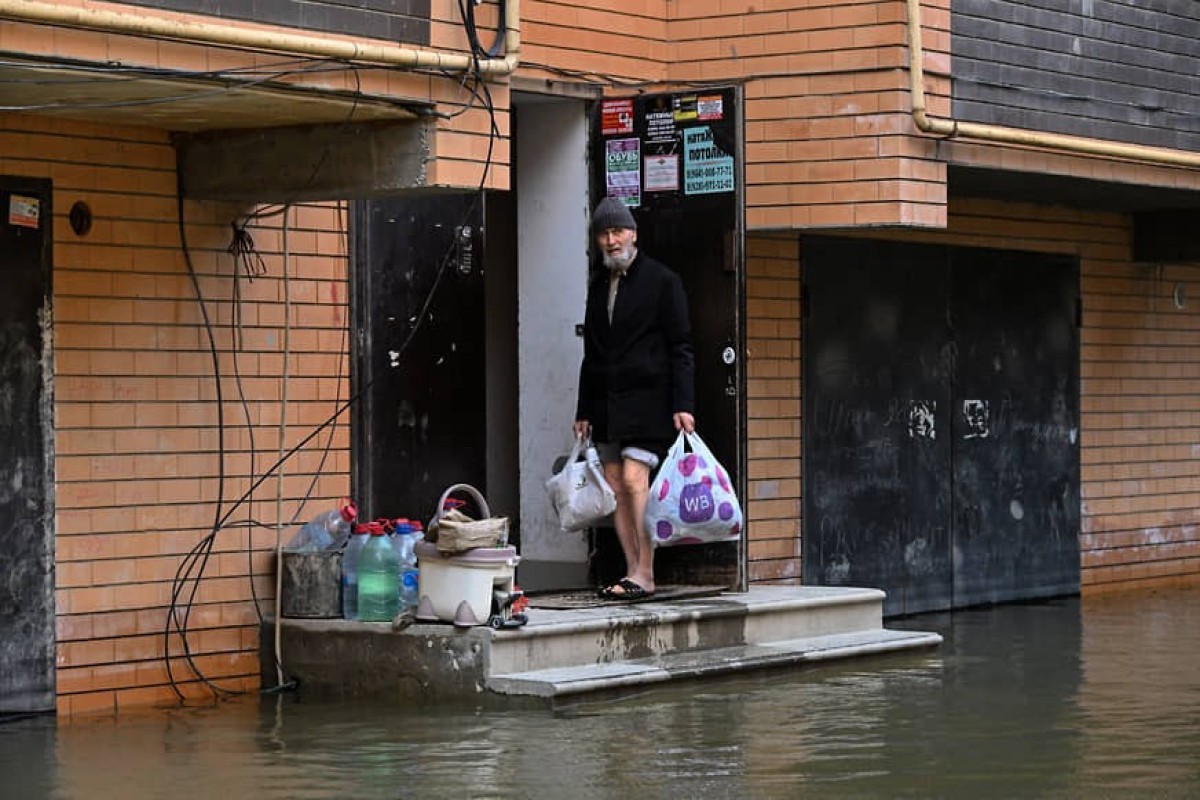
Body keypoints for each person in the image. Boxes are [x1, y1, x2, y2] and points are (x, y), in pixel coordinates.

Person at [573, 197, 695, 600]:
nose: (610, 240)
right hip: (607, 402)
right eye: (604, 233)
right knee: (613, 483)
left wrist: (684, 403)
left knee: (632, 477)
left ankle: (646, 571)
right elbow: (591, 353)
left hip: (649, 400)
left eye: (617, 232)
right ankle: (631, 570)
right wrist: (584, 409)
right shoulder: (597, 286)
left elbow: (681, 346)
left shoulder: (662, 281)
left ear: (633, 234)